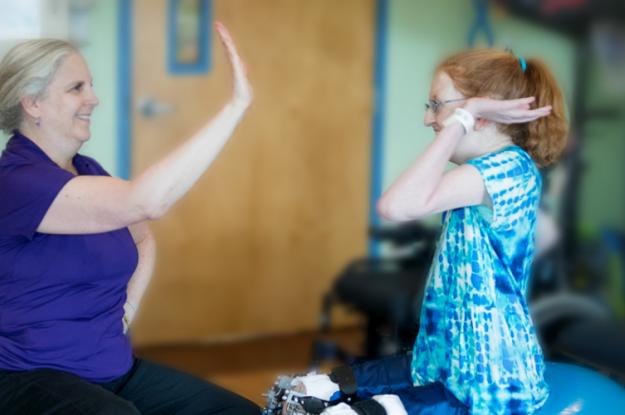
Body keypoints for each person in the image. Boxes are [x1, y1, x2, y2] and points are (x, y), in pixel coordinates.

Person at [279, 49, 567, 415]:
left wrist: (463, 117)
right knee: (310, 389)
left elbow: (395, 207)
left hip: (489, 381)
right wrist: (464, 114)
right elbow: (542, 236)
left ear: (482, 117)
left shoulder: (507, 169)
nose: (427, 118)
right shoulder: (485, 173)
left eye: (437, 104)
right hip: (446, 358)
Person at [0, 22, 260, 414]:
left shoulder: (87, 171)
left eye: (90, 85)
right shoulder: (17, 182)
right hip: (28, 375)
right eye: (76, 88)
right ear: (32, 103)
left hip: (110, 367)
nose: (94, 99)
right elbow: (145, 202)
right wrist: (234, 107)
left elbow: (143, 236)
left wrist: (129, 309)